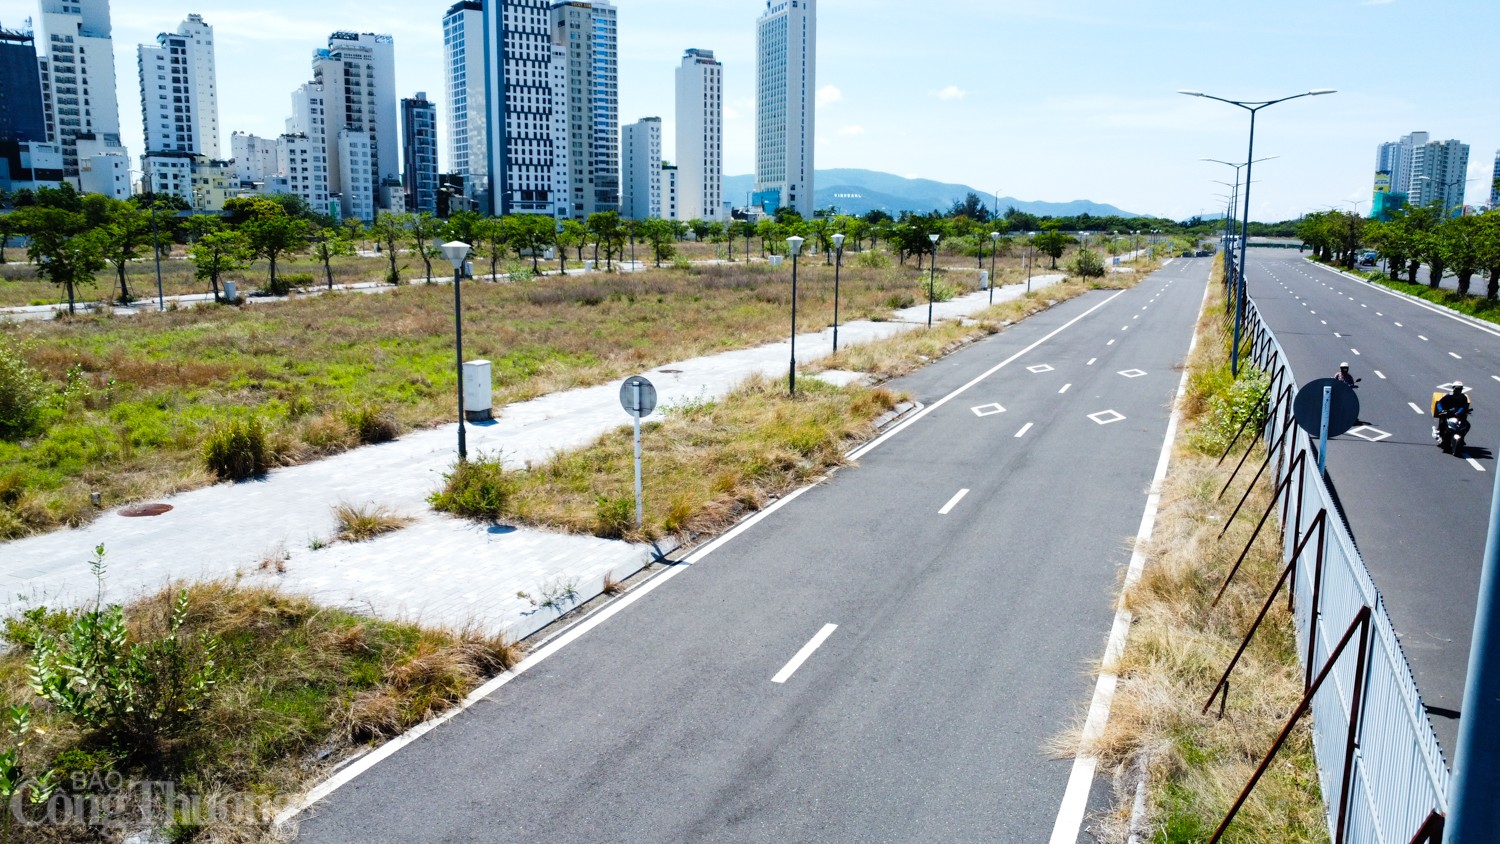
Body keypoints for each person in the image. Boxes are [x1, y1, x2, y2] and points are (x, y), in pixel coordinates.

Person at [1434, 381, 1473, 452]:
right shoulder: (1449, 396)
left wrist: (1459, 412)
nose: (1458, 390)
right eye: (1457, 388)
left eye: (1460, 389)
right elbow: (1440, 403)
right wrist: (1441, 410)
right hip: (1448, 414)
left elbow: (1464, 406)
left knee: (1467, 425)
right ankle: (1441, 436)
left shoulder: (1463, 397)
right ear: (1453, 388)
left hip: (1458, 415)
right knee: (1442, 423)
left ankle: (1462, 438)